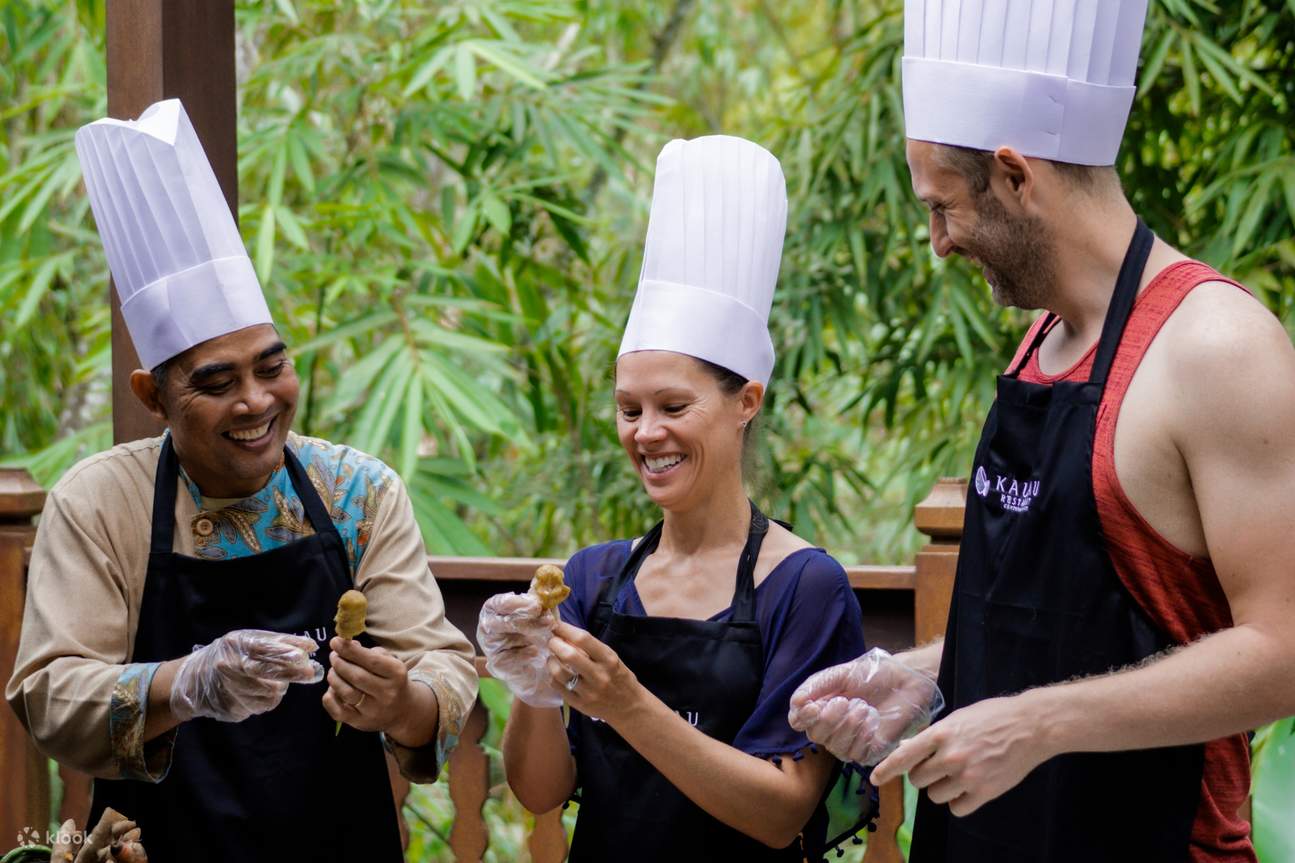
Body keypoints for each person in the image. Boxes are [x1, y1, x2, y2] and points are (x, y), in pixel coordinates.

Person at [789, 1, 1295, 861]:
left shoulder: (1215, 347)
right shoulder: (1043, 340)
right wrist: (917, 677)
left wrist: (1034, 723)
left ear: (1018, 176)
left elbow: (1282, 649)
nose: (937, 243)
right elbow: (1055, 622)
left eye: (942, 207)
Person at [5, 100, 477, 863]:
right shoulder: (100, 502)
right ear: (151, 395)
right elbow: (51, 697)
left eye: (272, 365)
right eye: (217, 381)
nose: (256, 401)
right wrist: (188, 683)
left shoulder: (358, 491)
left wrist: (404, 701)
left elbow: (444, 666)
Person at [477, 136, 870, 861]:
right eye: (628, 410)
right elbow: (538, 792)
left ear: (745, 400)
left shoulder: (803, 586)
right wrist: (531, 686)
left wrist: (625, 703)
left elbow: (781, 811)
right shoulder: (593, 577)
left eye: (672, 406)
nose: (645, 433)